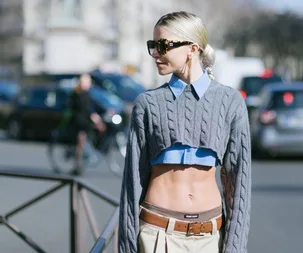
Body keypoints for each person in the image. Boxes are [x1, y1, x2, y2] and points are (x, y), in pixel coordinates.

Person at [119, 11, 251, 253]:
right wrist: (126, 246)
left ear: (192, 48)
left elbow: (239, 183)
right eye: (153, 45)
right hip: (158, 236)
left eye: (163, 45)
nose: (155, 53)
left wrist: (235, 247)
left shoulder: (230, 101)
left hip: (210, 238)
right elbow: (132, 183)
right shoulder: (148, 104)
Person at [70, 73, 105, 175]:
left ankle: (79, 163)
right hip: (81, 122)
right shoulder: (81, 94)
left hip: (81, 121)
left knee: (81, 143)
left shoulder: (79, 93)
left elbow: (93, 106)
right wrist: (95, 118)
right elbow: (86, 109)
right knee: (80, 144)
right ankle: (77, 165)